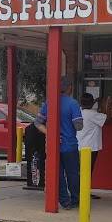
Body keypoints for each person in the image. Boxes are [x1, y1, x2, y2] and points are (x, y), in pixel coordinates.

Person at [35, 77, 84, 209]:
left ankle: (64, 201)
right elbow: (79, 126)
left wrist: (51, 134)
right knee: (73, 174)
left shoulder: (49, 102)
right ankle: (75, 199)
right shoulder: (73, 103)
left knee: (58, 175)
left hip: (53, 146)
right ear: (70, 88)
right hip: (70, 145)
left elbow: (37, 123)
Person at [76, 92, 107, 200]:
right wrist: (105, 104)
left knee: (80, 171)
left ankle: (79, 192)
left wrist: (95, 102)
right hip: (90, 148)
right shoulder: (92, 114)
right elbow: (106, 118)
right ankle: (83, 194)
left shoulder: (78, 111)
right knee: (87, 172)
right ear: (91, 103)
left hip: (79, 146)